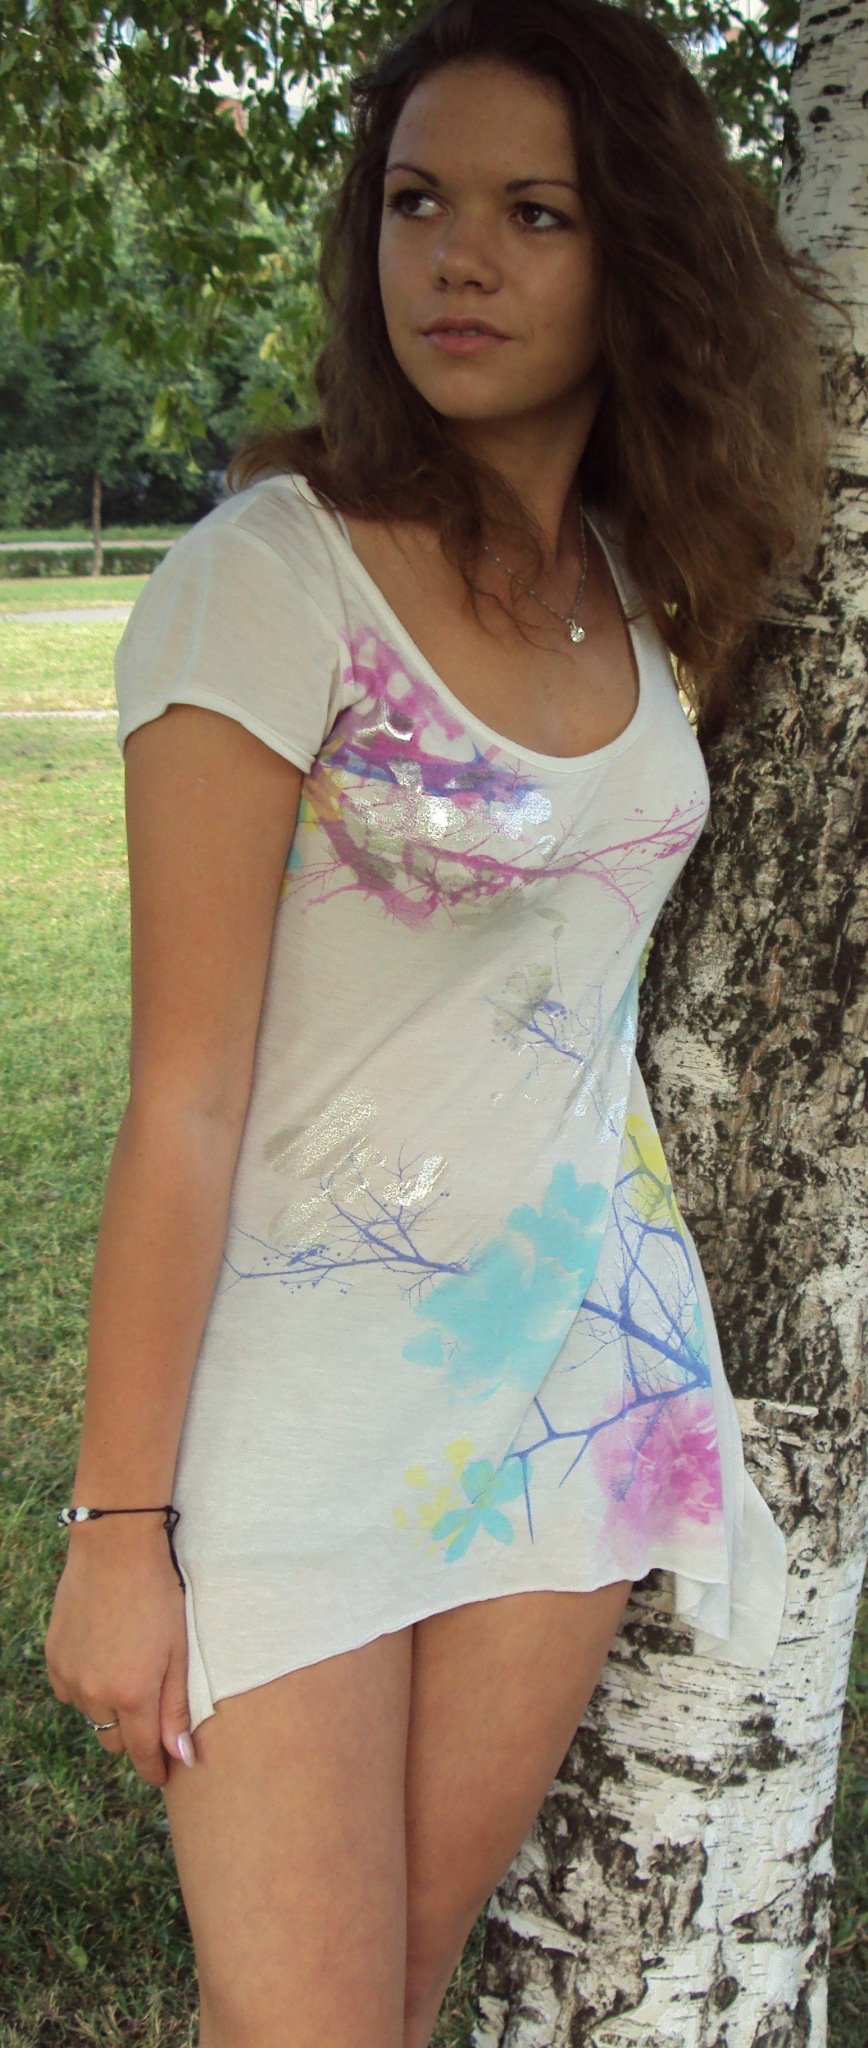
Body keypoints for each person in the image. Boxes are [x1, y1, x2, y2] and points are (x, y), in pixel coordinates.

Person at [44, 2, 840, 2044]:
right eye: (414, 202)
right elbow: (184, 1093)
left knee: (386, 1997)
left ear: (638, 258)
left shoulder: (642, 587)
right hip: (295, 1418)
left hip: (566, 1388)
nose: (456, 259)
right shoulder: (269, 579)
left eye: (532, 212)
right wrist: (119, 1529)